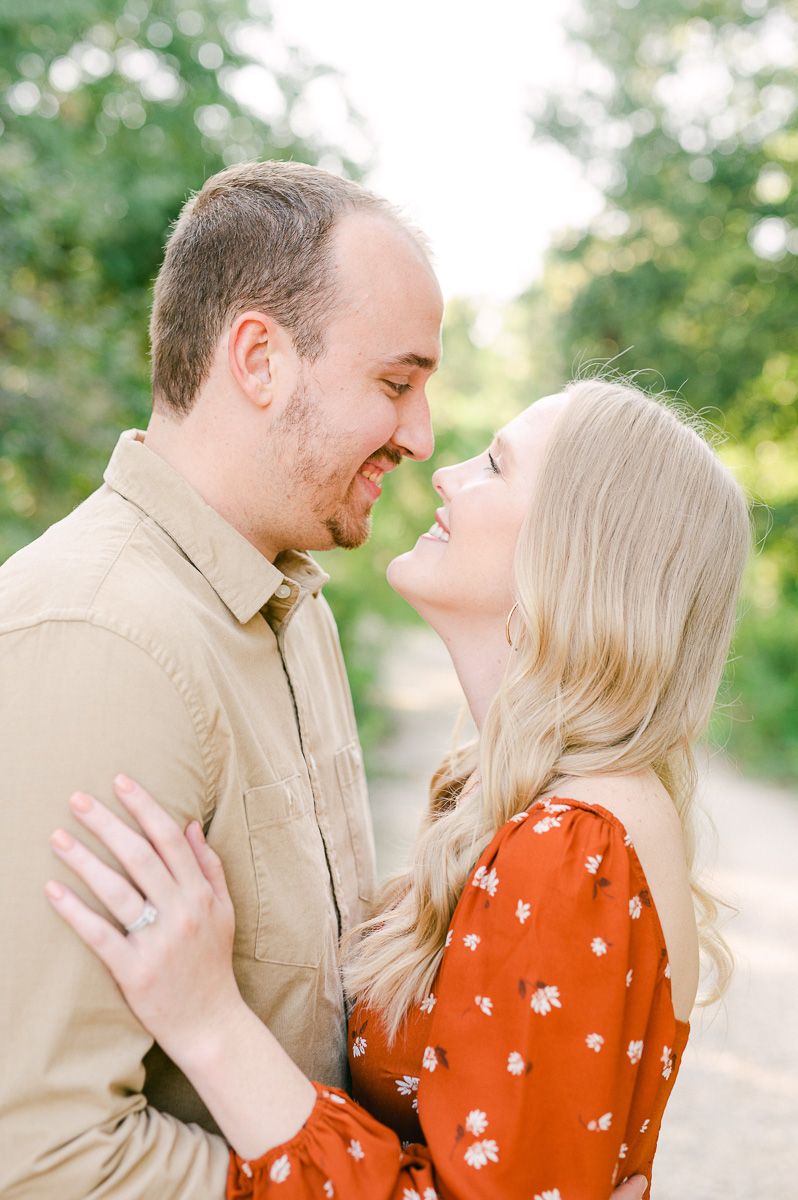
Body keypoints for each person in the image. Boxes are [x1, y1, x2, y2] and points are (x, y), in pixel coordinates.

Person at [46, 379, 751, 1198]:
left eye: (494, 464)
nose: (446, 472)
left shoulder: (574, 846)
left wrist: (209, 1022)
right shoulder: (568, 811)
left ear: (575, 552)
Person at [0, 161, 442, 1197]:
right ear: (259, 358)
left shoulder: (294, 607)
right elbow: (44, 1150)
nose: (419, 435)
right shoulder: (102, 640)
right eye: (395, 383)